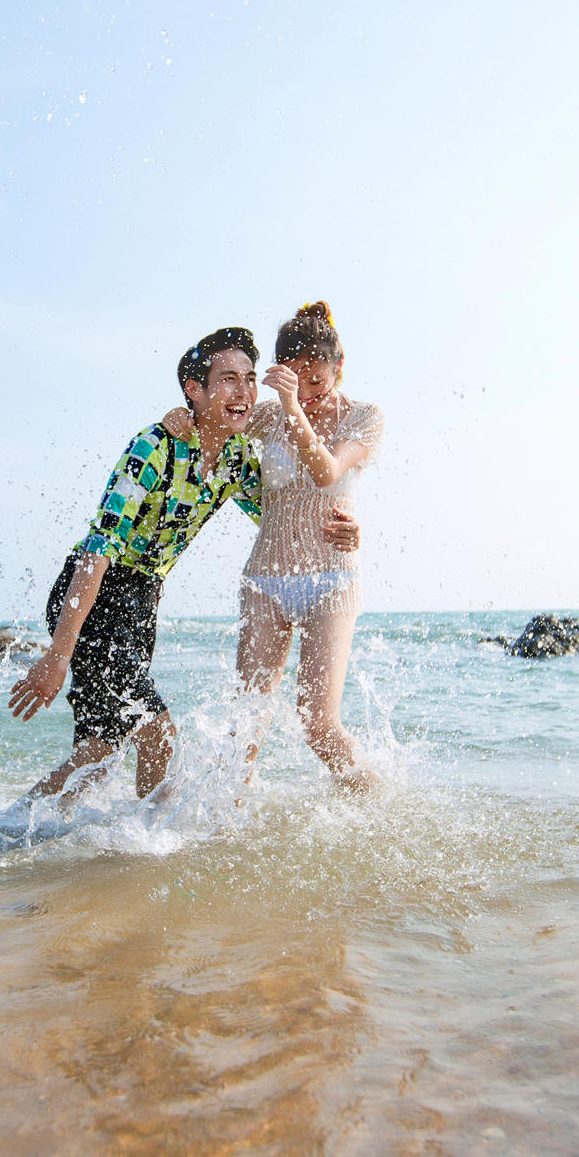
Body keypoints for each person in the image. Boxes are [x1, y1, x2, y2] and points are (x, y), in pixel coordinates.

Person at [8, 326, 360, 803]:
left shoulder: (237, 459)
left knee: (100, 751)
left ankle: (15, 828)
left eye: (250, 379)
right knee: (158, 733)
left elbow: (282, 516)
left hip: (142, 601)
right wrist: (58, 655)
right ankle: (149, 838)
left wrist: (348, 530)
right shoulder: (154, 445)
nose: (244, 391)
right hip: (94, 592)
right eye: (229, 379)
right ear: (196, 390)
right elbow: (97, 551)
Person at [163, 301, 384, 790]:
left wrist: (290, 407)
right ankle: (225, 825)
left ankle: (381, 812)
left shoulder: (364, 417)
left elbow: (326, 471)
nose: (305, 393)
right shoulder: (266, 416)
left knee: (318, 725)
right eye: (294, 380)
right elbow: (214, 419)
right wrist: (181, 413)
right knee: (246, 725)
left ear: (339, 368)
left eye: (316, 381)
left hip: (332, 580)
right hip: (266, 580)